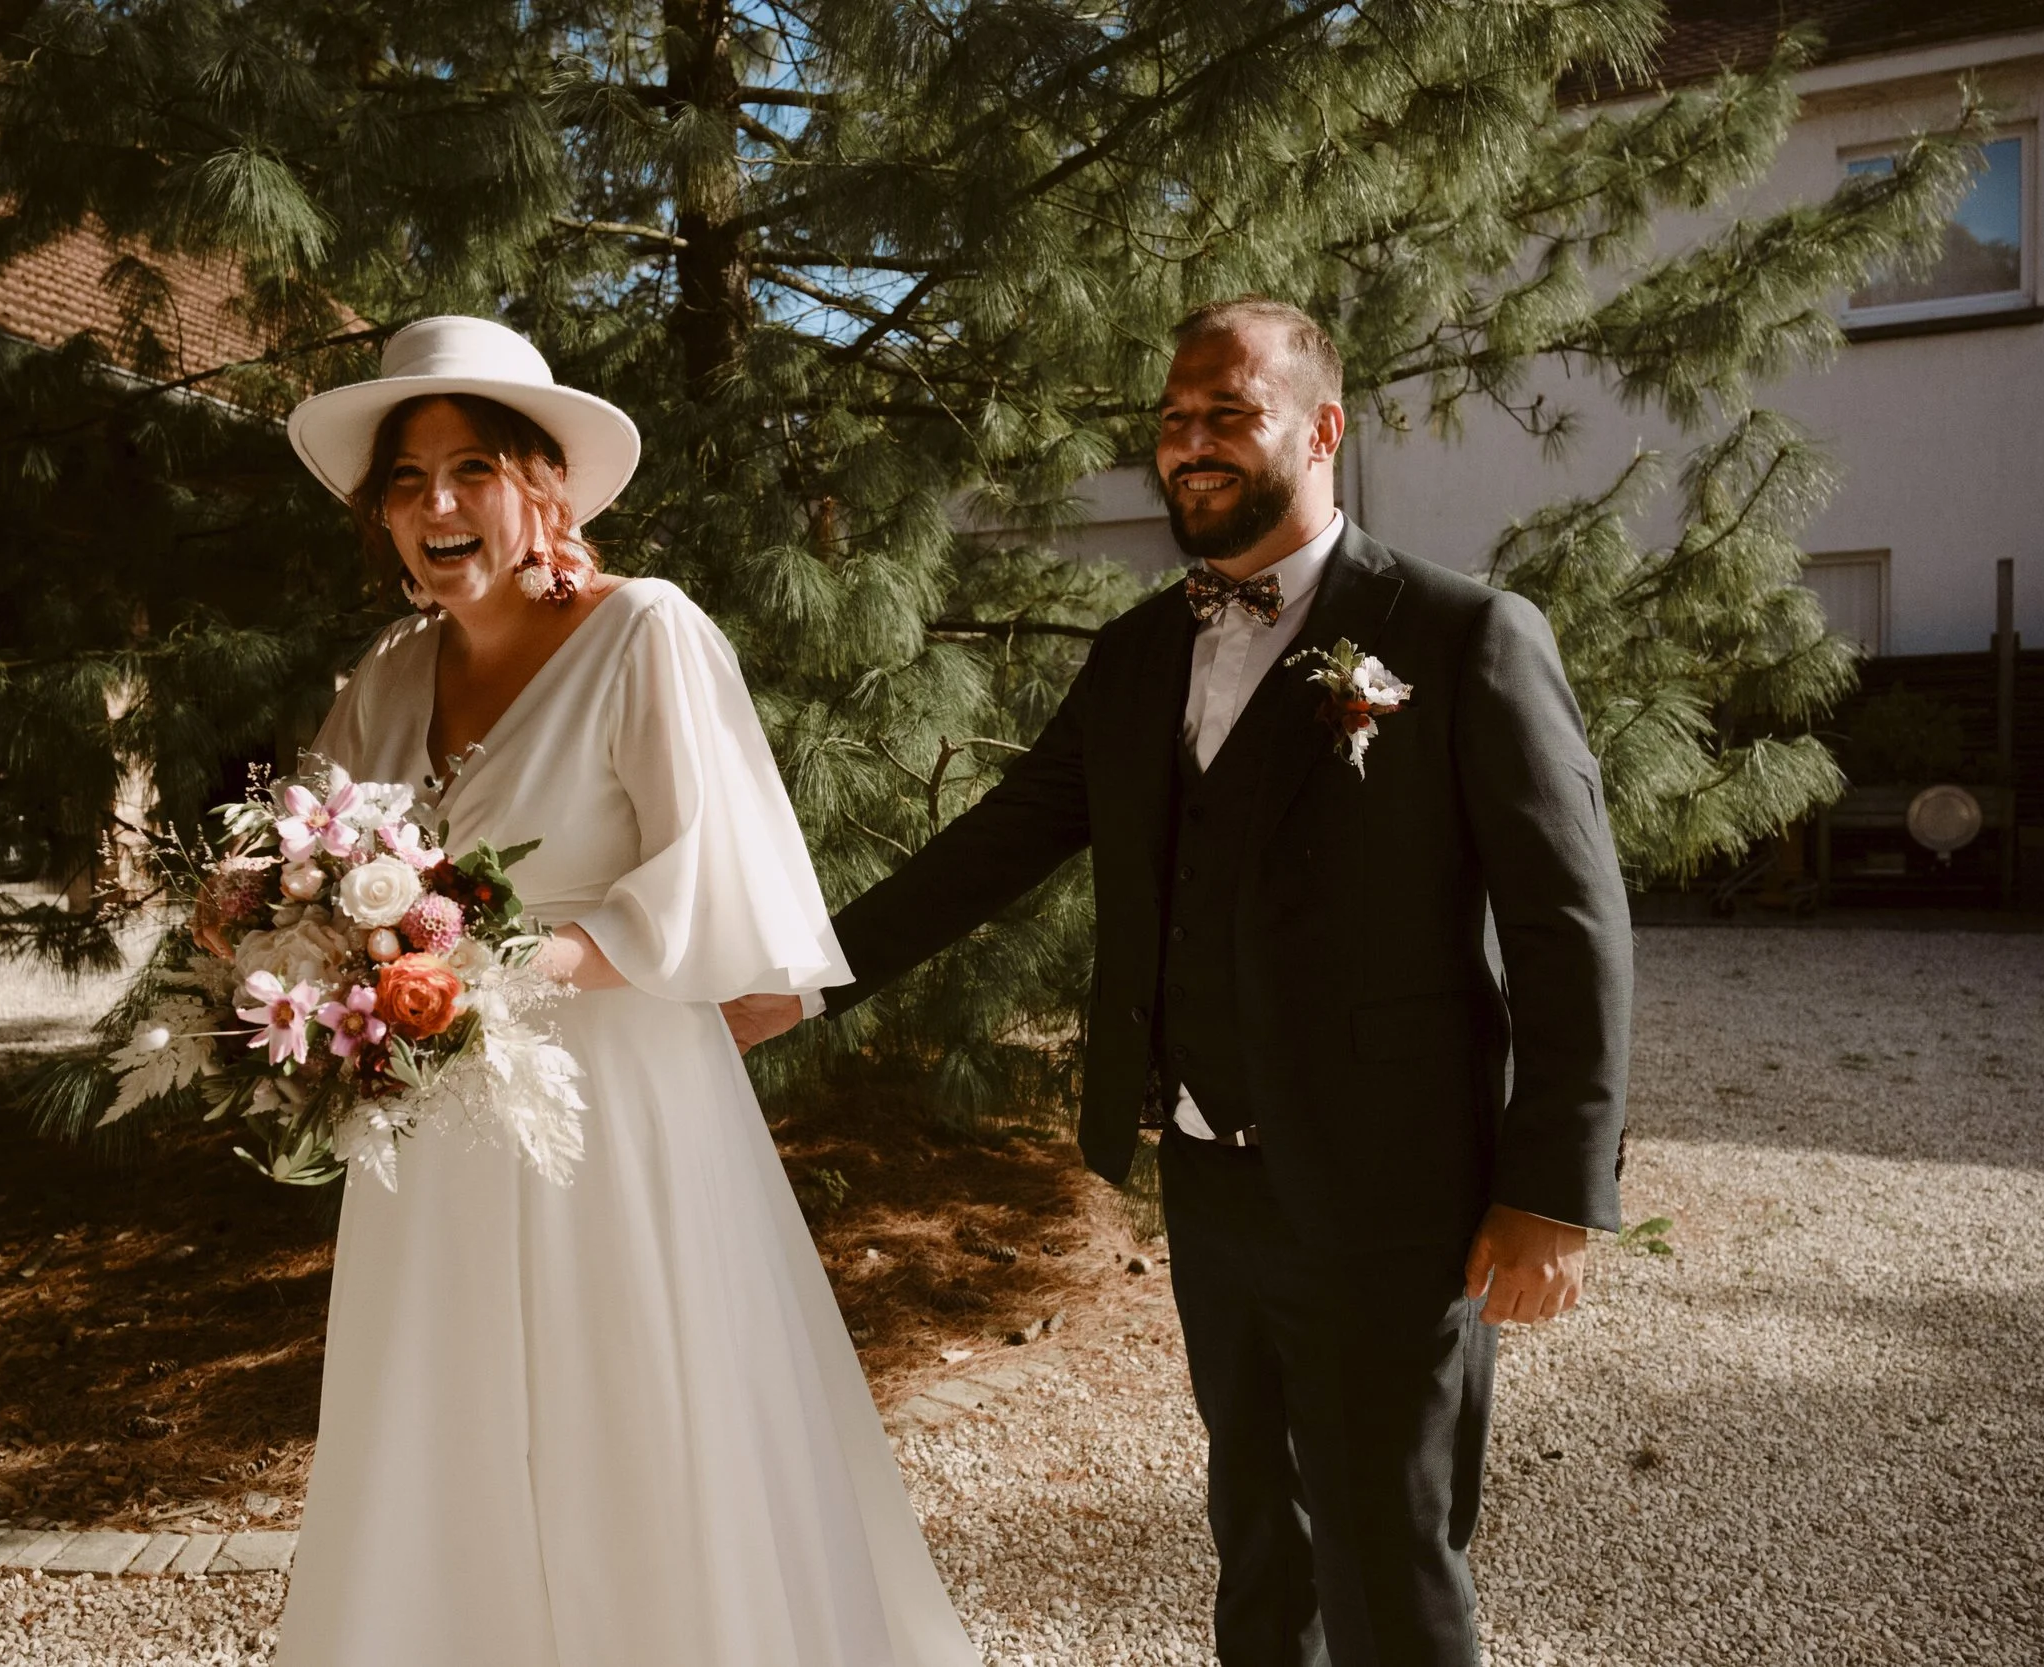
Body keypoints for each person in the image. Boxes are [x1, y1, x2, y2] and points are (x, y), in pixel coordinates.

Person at [724, 297, 1633, 1667]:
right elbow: (994, 847)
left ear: (1324, 429)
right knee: (1259, 1534)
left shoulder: (1459, 636)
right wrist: (800, 980)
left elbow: (1572, 923)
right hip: (1210, 1182)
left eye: (1231, 413)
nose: (1193, 443)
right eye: (1173, 420)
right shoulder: (1140, 652)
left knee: (1390, 1548)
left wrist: (1554, 1188)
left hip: (1395, 1187)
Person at [272, 316, 980, 1667]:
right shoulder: (383, 677)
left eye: (469, 467)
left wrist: (502, 967)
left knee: (640, 1414)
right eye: (406, 482)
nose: (436, 506)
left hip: (618, 1103)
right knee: (446, 1420)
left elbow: (718, 878)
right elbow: (311, 859)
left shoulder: (643, 629)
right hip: (434, 1127)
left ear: (542, 484)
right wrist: (270, 929)